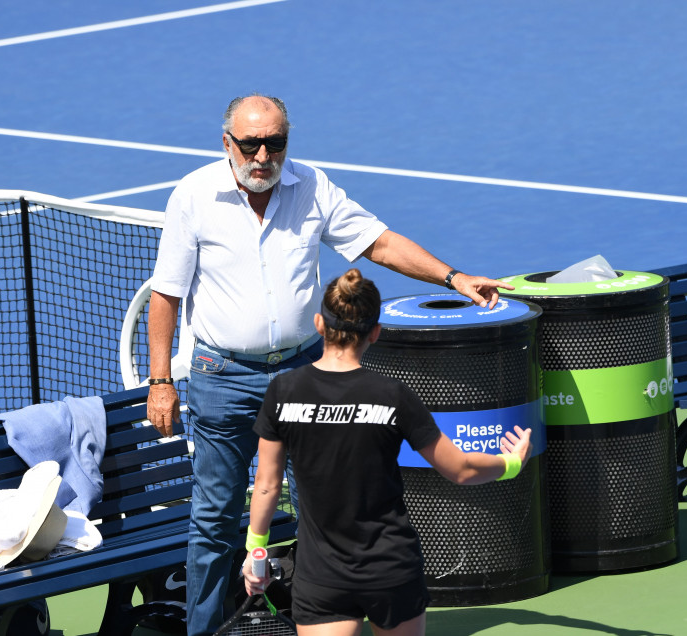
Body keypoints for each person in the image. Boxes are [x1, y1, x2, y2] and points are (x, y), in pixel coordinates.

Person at [146, 93, 515, 636]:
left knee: (326, 505)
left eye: (276, 142)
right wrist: (160, 380)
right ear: (228, 144)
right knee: (214, 521)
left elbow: (379, 243)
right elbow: (166, 295)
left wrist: (453, 278)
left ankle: (317, 620)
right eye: (250, 144)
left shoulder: (313, 187)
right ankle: (205, 631)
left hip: (301, 375)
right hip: (222, 379)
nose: (263, 155)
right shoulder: (193, 197)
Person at [242, 269, 533, 636]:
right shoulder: (393, 395)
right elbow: (460, 469)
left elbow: (267, 484)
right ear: (375, 333)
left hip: (322, 576)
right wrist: (511, 463)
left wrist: (257, 552)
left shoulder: (283, 391)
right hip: (391, 570)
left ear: (319, 324)